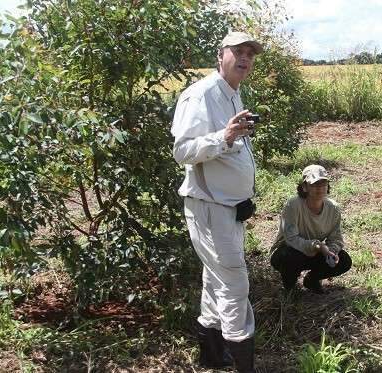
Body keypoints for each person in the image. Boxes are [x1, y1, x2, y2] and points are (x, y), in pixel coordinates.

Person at [171, 31, 263, 373]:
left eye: (250, 54)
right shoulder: (201, 95)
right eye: (238, 51)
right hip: (208, 209)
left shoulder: (232, 94)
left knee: (216, 279)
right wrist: (223, 136)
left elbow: (228, 149)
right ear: (220, 55)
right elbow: (183, 150)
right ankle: (244, 365)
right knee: (235, 281)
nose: (245, 58)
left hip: (228, 208)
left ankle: (212, 354)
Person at [270, 165, 352, 294]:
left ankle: (312, 280)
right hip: (289, 250)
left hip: (315, 252)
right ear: (305, 187)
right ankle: (290, 287)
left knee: (344, 261)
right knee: (289, 257)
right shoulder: (293, 205)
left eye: (323, 183)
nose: (319, 188)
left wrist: (332, 251)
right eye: (314, 184)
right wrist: (318, 246)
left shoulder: (333, 208)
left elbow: (336, 237)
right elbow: (291, 239)